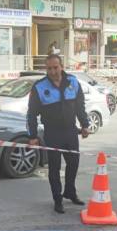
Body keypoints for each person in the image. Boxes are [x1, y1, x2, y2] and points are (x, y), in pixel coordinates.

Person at [27, 54, 90, 214]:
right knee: (54, 168)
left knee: (73, 163)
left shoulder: (73, 82)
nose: (53, 71)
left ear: (61, 66)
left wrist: (85, 125)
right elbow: (31, 114)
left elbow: (80, 107)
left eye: (55, 67)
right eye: (49, 68)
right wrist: (32, 136)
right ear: (45, 69)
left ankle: (70, 191)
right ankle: (57, 198)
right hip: (52, 133)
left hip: (70, 131)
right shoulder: (39, 87)